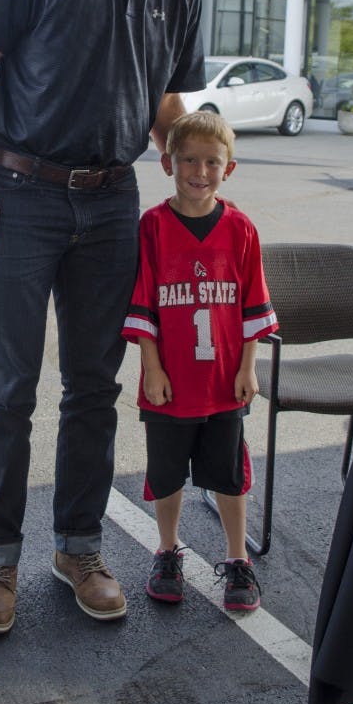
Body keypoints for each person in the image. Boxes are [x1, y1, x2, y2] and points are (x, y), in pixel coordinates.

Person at [0, 0, 206, 633]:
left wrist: (188, 170)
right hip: (16, 194)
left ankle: (77, 547)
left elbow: (164, 98)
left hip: (111, 201)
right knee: (7, 390)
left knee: (94, 388)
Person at [122, 111, 278, 611]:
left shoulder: (240, 229)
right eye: (188, 159)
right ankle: (167, 551)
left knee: (229, 475)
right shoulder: (152, 227)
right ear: (167, 163)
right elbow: (143, 301)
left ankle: (238, 561)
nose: (200, 170)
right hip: (170, 381)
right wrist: (152, 366)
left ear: (228, 168)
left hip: (222, 380)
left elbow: (253, 304)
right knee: (166, 475)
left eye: (212, 161)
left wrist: (247, 366)